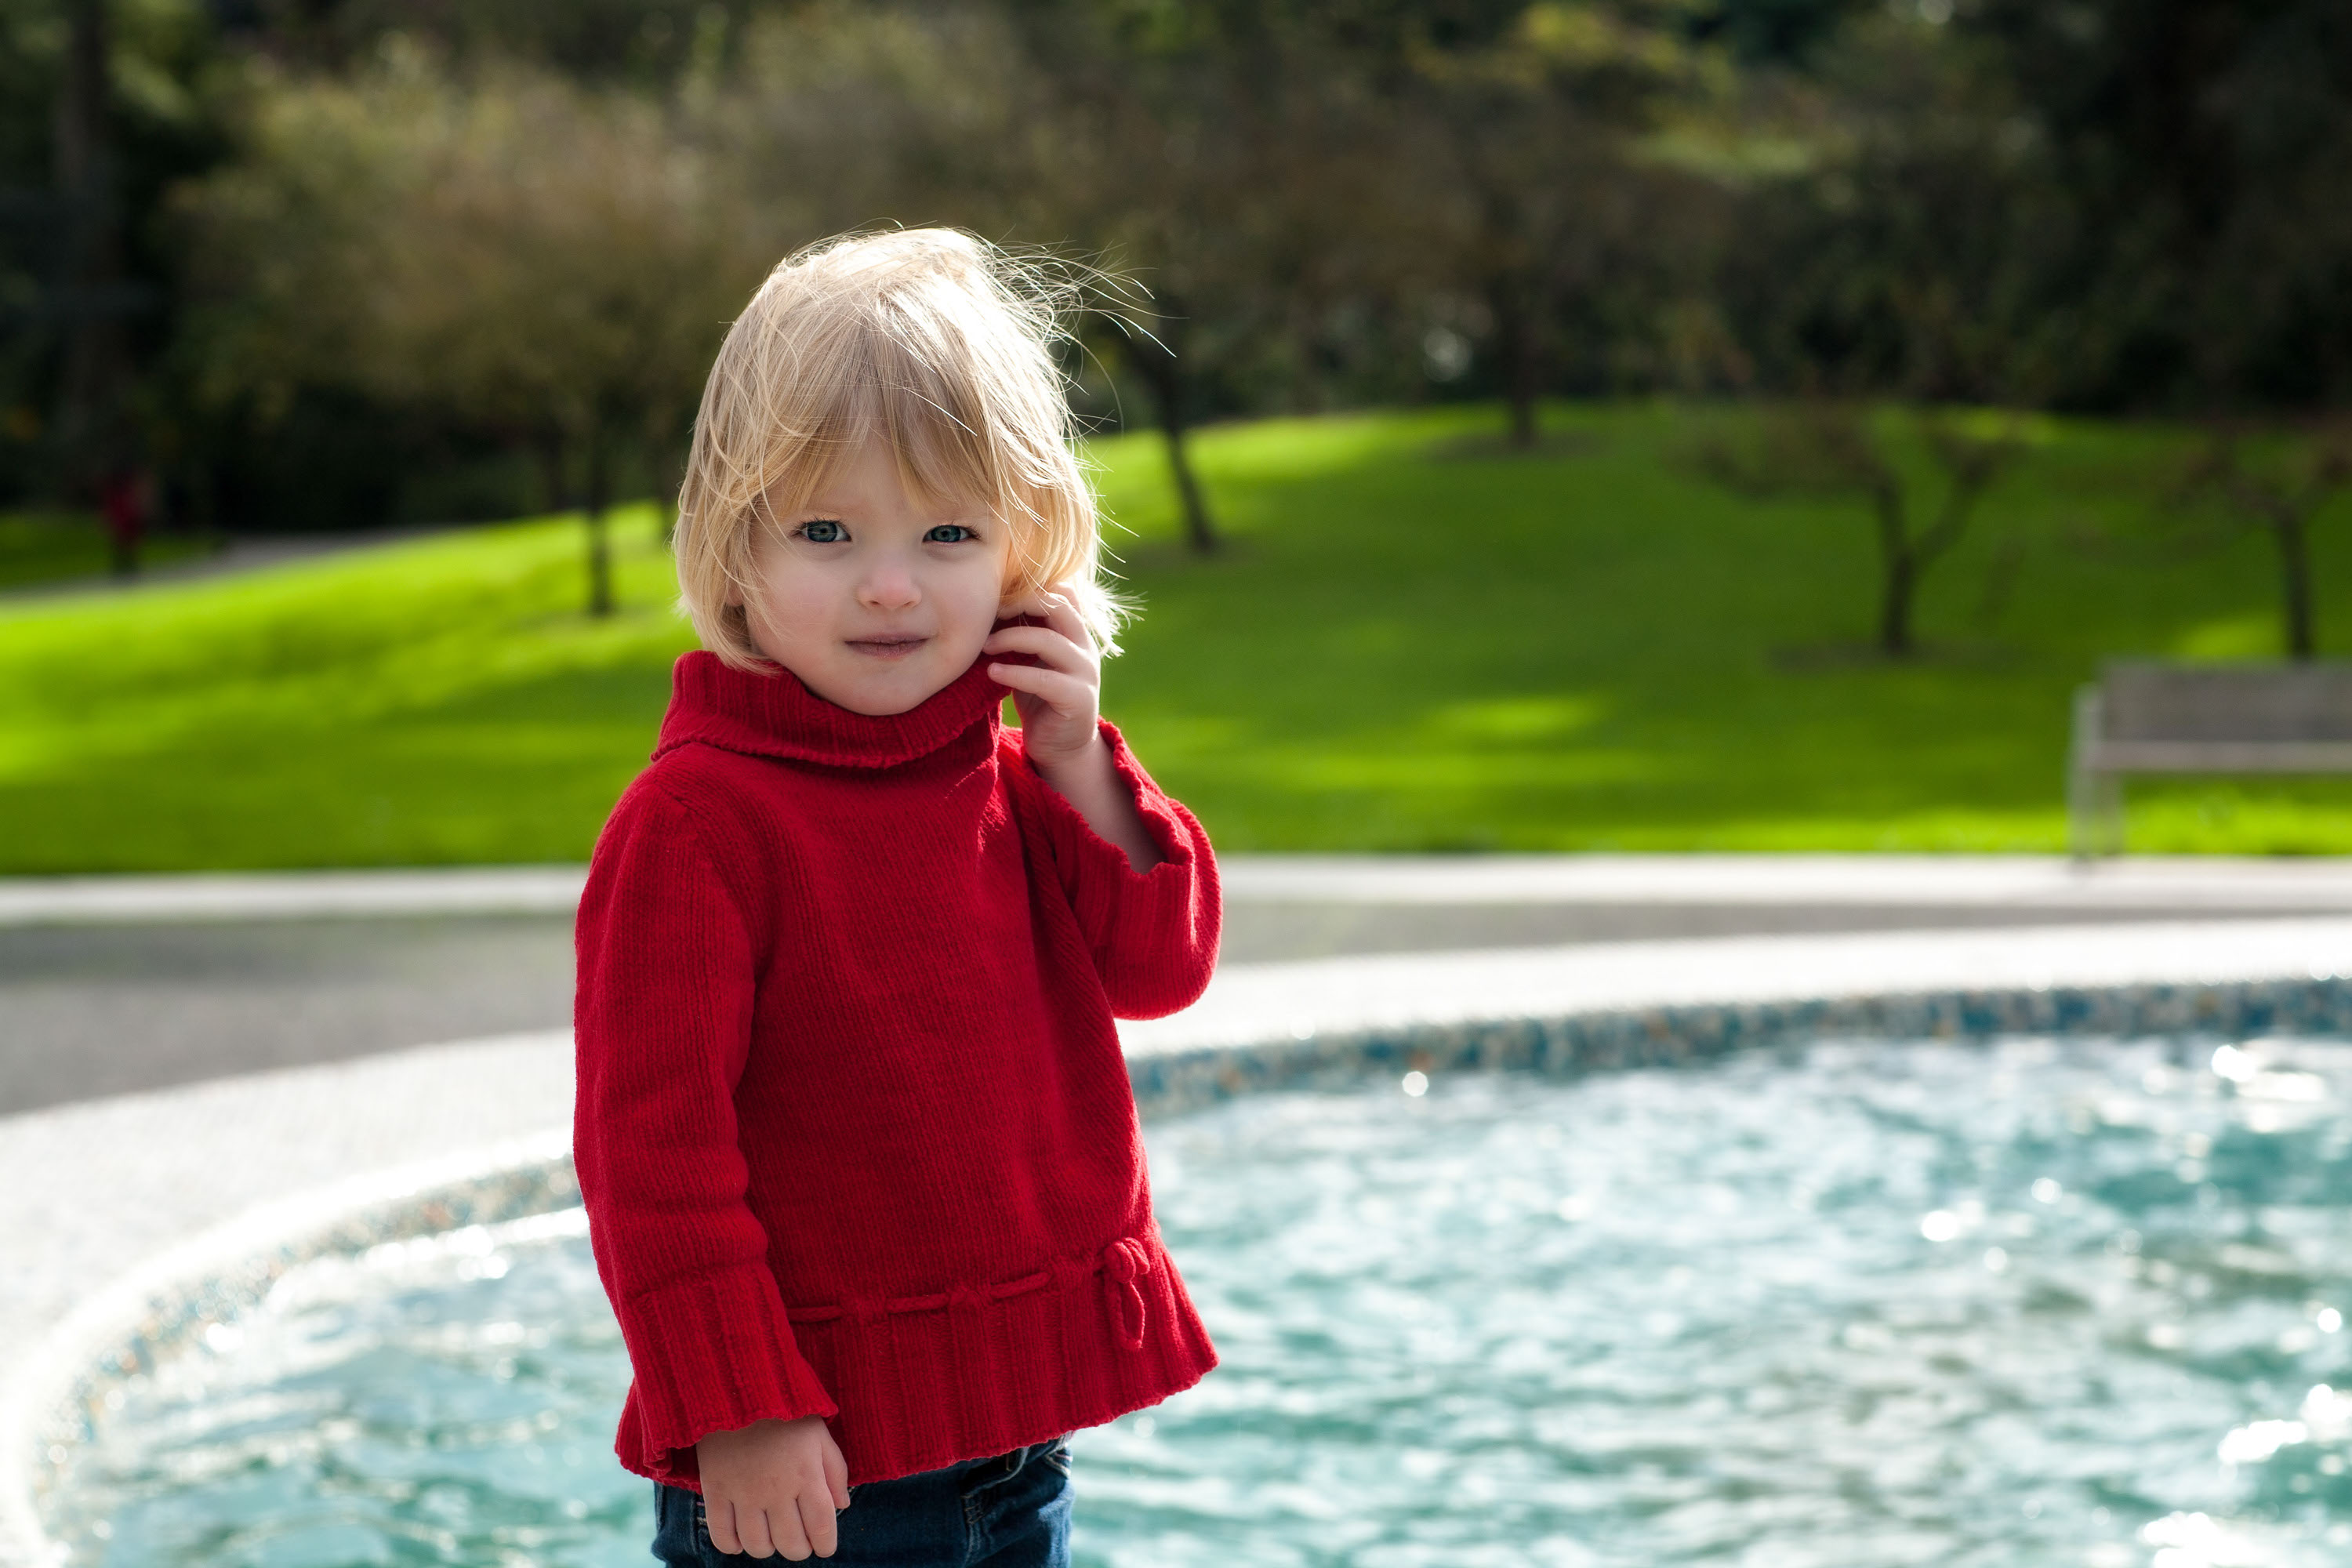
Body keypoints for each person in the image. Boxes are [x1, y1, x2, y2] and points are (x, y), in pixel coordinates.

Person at [573, 227, 1221, 1567]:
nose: (889, 582)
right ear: (735, 545)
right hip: (805, 1482)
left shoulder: (1019, 775)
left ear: (1024, 551)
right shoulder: (700, 825)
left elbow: (1162, 968)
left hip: (1015, 1449)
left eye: (947, 533)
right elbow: (651, 1156)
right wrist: (740, 1405)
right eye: (826, 530)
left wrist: (1078, 767)